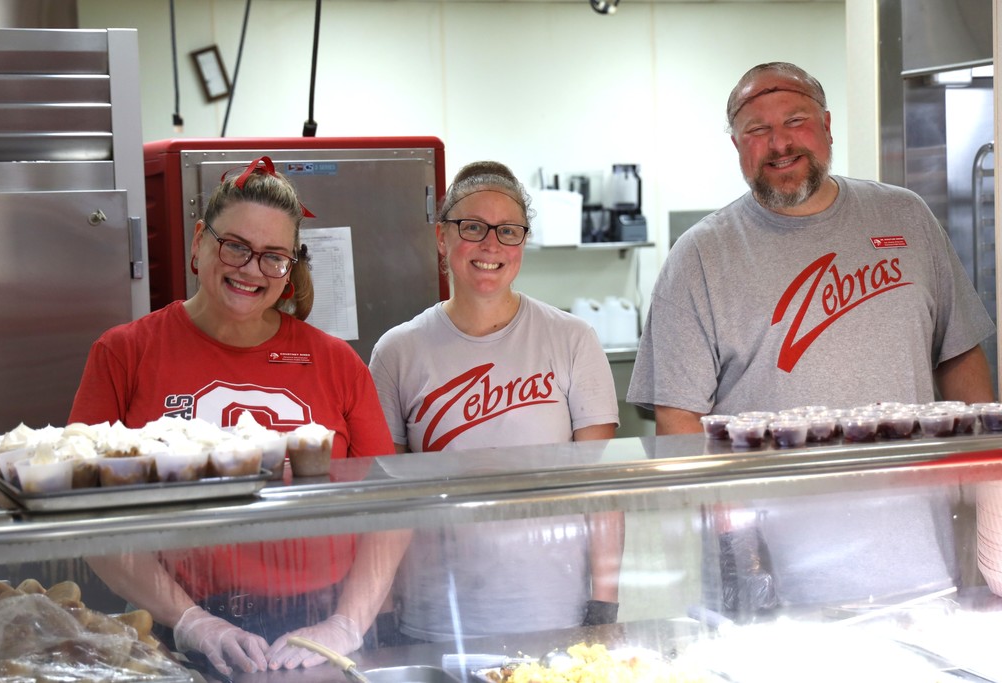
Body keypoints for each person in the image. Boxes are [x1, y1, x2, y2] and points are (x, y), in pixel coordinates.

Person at [628, 62, 996, 612]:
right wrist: (736, 552)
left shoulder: (906, 218)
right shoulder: (699, 257)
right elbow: (679, 423)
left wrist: (989, 506)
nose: (779, 144)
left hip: (919, 558)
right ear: (736, 145)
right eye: (757, 130)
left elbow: (962, 363)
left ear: (826, 126)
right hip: (774, 580)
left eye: (795, 121)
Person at [69, 157, 409, 676]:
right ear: (199, 243)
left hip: (320, 633)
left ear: (290, 268)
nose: (251, 269)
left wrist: (347, 623)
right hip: (172, 633)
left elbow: (391, 510)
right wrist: (191, 621)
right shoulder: (125, 355)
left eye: (273, 257)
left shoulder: (336, 362)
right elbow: (85, 513)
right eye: (236, 247)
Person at [368, 161, 625, 641]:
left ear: (522, 243)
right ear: (442, 238)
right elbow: (383, 503)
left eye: (508, 231)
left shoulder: (573, 339)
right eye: (473, 228)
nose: (491, 245)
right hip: (435, 617)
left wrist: (603, 606)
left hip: (553, 612)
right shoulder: (397, 352)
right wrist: (382, 614)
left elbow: (603, 490)